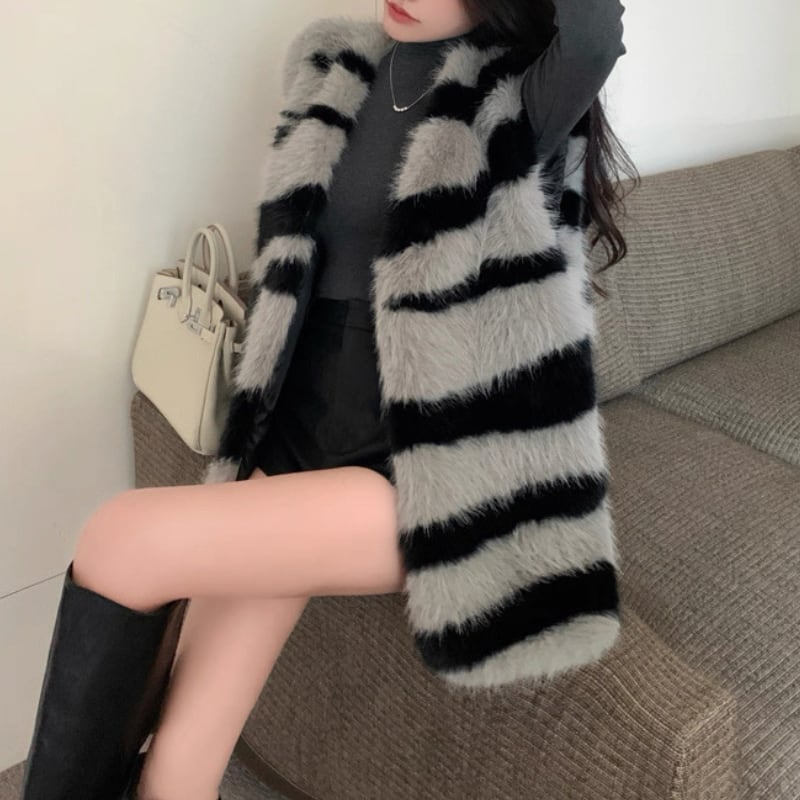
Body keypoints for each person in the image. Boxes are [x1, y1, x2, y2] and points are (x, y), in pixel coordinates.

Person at [21, 2, 635, 799]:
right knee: (179, 765)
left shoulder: (516, 99)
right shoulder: (333, 69)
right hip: (293, 442)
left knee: (120, 538)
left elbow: (595, 35)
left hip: (425, 481)